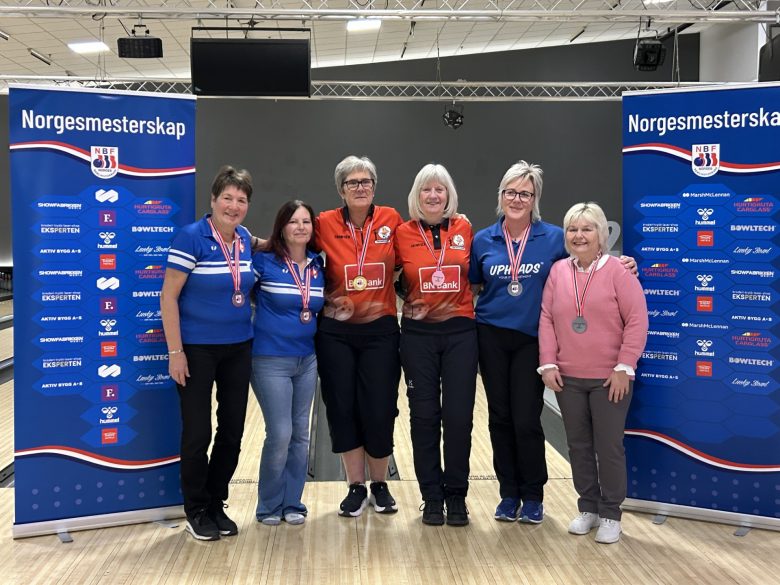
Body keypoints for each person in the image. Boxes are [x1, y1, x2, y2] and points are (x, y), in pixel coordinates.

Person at [469, 160, 635, 525]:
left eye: (525, 194)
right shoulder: (483, 239)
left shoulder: (554, 238)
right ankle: (508, 493)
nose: (517, 199)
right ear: (501, 196)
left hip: (532, 339)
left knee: (526, 418)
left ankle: (533, 495)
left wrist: (623, 263)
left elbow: (587, 262)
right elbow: (474, 285)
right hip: (491, 336)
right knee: (499, 417)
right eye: (511, 192)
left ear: (535, 199)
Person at [538, 202, 648, 544]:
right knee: (579, 446)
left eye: (587, 229)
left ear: (601, 234)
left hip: (609, 379)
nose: (579, 235)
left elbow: (637, 320)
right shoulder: (558, 271)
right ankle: (588, 507)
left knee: (608, 446)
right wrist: (548, 363)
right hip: (568, 378)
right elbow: (546, 318)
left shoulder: (618, 271)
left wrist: (624, 366)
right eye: (572, 229)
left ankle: (611, 513)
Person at [161, 165, 255, 541]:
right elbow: (168, 296)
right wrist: (175, 351)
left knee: (232, 431)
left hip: (239, 348)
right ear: (213, 200)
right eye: (227, 198)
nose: (234, 206)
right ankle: (196, 508)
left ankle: (216, 502)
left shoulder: (245, 238)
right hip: (197, 350)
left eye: (241, 200)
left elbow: (274, 246)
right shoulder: (191, 237)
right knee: (199, 433)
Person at [314, 155, 403, 517]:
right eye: (352, 182)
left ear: (374, 186)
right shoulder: (323, 223)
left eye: (366, 181)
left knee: (379, 408)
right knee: (342, 406)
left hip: (381, 330)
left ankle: (379, 484)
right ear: (341, 190)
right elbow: (290, 239)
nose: (360, 187)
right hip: (335, 332)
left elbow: (416, 250)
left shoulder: (392, 219)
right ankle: (355, 485)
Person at [395, 164, 476, 527]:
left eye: (439, 189)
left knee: (458, 418)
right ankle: (431, 496)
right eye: (426, 189)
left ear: (448, 195)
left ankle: (456, 494)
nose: (432, 195)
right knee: (424, 417)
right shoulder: (401, 233)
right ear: (417, 195)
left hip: (461, 334)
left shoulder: (464, 228)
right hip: (418, 336)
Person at [250, 200, 325, 526]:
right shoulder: (264, 262)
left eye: (306, 221)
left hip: (306, 360)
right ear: (281, 227)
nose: (300, 227)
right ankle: (268, 505)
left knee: (300, 435)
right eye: (293, 221)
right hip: (270, 360)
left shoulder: (318, 265)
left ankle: (293, 502)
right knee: (280, 433)